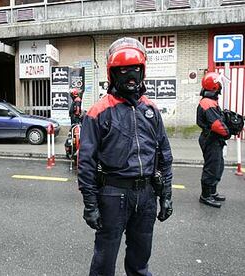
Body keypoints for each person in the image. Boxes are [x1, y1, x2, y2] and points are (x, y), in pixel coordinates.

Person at [78, 37, 173, 276]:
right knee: (104, 261)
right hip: (113, 195)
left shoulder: (150, 109)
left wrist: (167, 195)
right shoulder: (98, 112)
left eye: (135, 69)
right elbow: (86, 162)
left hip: (147, 195)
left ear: (143, 71)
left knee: (140, 261)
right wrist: (90, 204)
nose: (130, 75)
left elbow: (164, 154)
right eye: (123, 70)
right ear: (112, 73)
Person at [196, 71, 230, 208]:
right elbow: (216, 124)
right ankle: (205, 195)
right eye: (219, 83)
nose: (221, 85)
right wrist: (228, 133)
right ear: (214, 86)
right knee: (211, 168)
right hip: (210, 139)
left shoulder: (210, 101)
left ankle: (213, 191)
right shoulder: (207, 103)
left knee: (218, 166)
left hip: (214, 140)